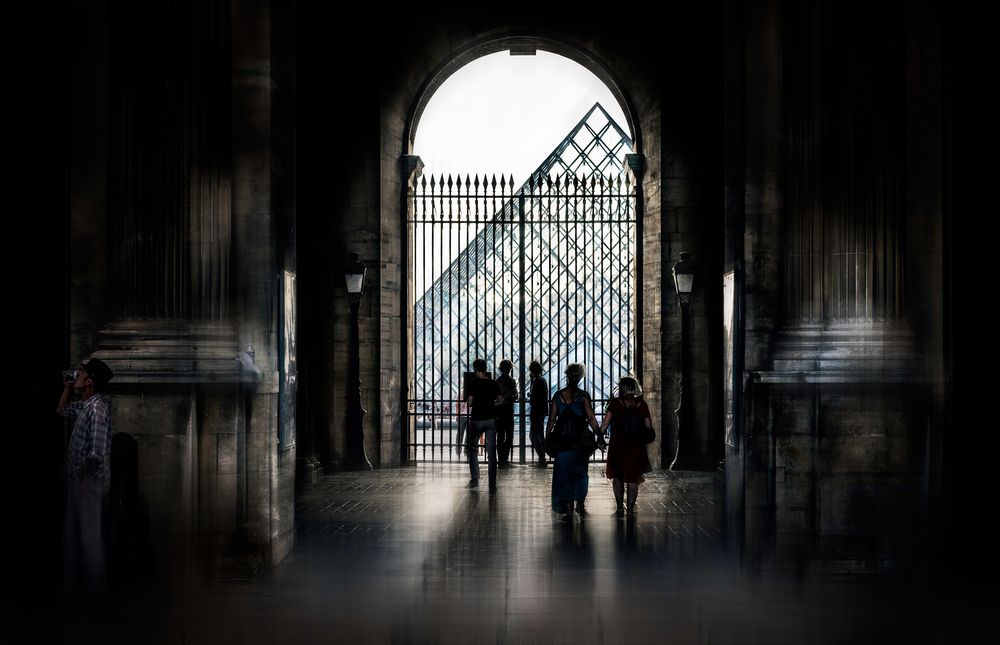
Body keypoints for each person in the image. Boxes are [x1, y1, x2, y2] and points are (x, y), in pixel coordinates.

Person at [57, 357, 114, 598]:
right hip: (78, 480)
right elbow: (61, 410)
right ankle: (76, 589)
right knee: (75, 535)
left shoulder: (98, 409)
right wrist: (68, 387)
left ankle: (95, 594)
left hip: (87, 482)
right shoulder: (86, 406)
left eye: (80, 374)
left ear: (89, 381)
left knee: (90, 538)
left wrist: (83, 475)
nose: (76, 375)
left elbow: (97, 452)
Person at [545, 363, 605, 520]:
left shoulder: (558, 396)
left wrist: (547, 436)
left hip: (562, 442)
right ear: (580, 378)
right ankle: (581, 504)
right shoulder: (583, 396)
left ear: (567, 375)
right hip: (580, 442)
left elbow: (552, 419)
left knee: (564, 475)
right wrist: (599, 435)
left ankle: (569, 509)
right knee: (580, 473)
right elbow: (591, 418)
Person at [599, 376, 654, 517]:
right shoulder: (642, 405)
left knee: (617, 477)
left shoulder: (615, 404)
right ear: (635, 388)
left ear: (622, 388)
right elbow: (649, 427)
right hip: (636, 446)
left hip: (618, 445)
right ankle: (630, 510)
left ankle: (619, 509)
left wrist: (599, 438)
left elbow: (605, 424)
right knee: (633, 478)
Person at [462, 359, 501, 493]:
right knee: (491, 452)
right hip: (490, 419)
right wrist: (490, 405)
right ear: (485, 368)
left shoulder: (473, 383)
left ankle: (475, 479)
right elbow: (500, 401)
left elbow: (470, 403)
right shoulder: (493, 383)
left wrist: (473, 402)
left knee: (472, 449)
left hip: (477, 419)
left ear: (475, 369)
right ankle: (492, 483)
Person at [494, 359, 517, 467]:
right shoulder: (512, 381)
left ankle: (500, 460)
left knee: (500, 436)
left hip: (499, 412)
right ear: (510, 369)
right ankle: (505, 459)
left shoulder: (497, 381)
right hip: (508, 411)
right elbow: (515, 396)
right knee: (509, 436)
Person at [526, 360, 549, 467]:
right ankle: (542, 458)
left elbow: (534, 395)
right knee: (538, 434)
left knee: (534, 435)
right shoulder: (542, 380)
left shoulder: (537, 381)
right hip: (541, 411)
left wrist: (529, 394)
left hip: (536, 411)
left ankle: (542, 458)